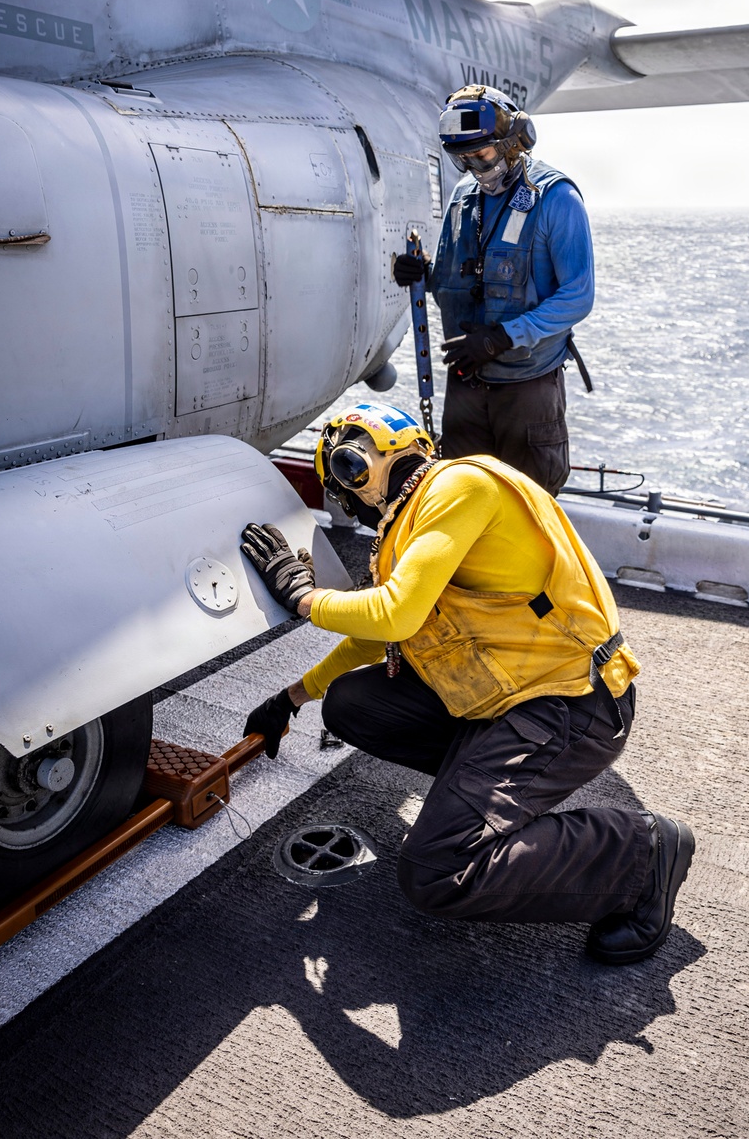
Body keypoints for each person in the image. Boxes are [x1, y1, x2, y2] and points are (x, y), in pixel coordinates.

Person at [241, 402, 695, 964]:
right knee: (352, 703)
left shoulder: (459, 487)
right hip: (511, 702)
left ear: (355, 472)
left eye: (344, 491)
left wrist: (305, 597)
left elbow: (394, 615)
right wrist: (292, 698)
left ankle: (640, 855)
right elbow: (381, 640)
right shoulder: (423, 513)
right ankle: (482, 793)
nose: (352, 508)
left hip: (575, 707)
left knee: (436, 871)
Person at [394, 85, 594, 497]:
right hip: (467, 381)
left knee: (528, 502)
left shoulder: (556, 198)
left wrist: (504, 337)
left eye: (481, 155)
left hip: (527, 388)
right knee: (462, 497)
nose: (474, 168)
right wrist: (423, 273)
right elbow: (454, 281)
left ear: (514, 141)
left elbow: (578, 295)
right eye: (462, 159)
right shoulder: (463, 199)